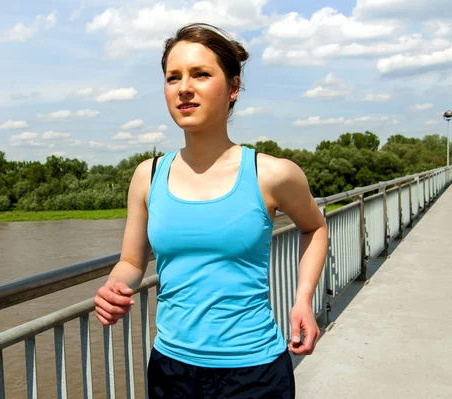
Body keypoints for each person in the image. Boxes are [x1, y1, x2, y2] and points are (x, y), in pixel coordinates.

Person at [95, 23, 328, 398]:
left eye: (201, 74)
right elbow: (132, 261)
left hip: (254, 371)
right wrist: (114, 286)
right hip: (171, 370)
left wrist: (303, 300)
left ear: (233, 88)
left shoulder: (271, 173)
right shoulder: (147, 176)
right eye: (173, 77)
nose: (184, 87)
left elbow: (314, 228)